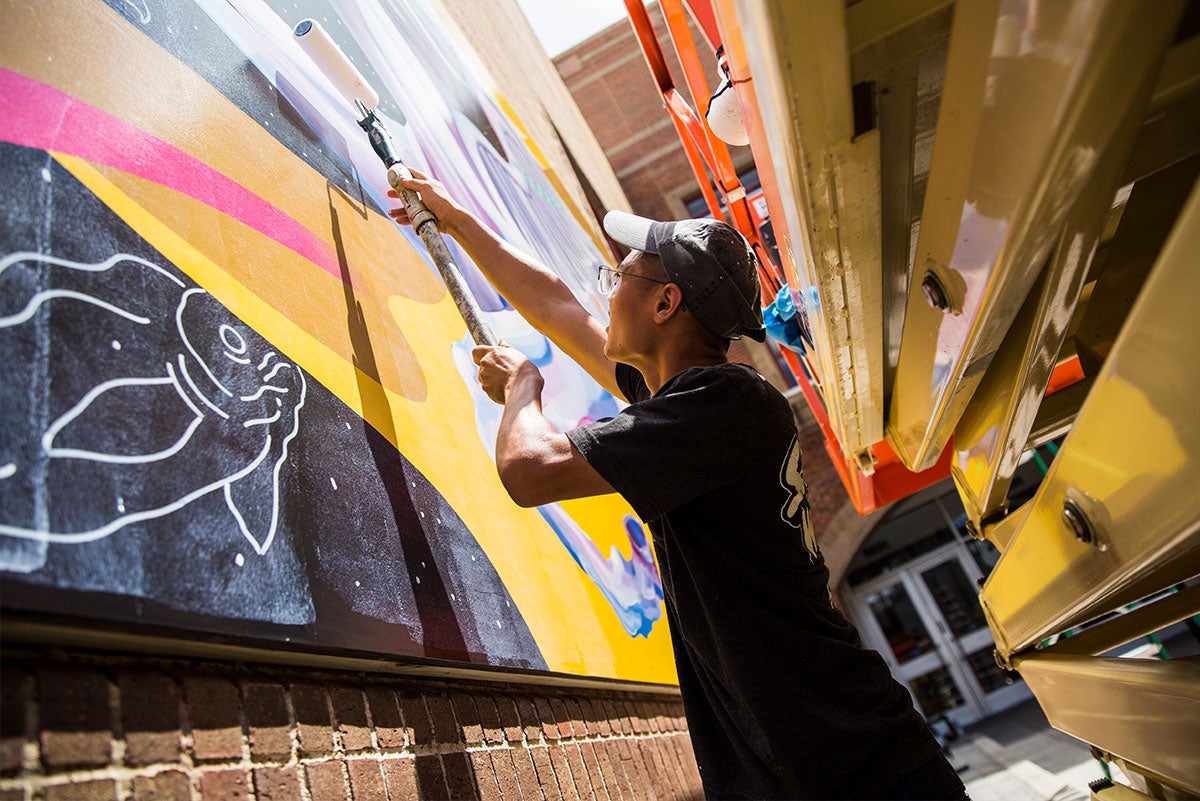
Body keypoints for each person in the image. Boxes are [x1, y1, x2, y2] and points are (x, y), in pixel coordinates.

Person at [388, 171, 969, 801]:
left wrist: (524, 389)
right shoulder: (694, 401)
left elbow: (530, 471)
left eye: (619, 278)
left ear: (665, 304)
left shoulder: (721, 405)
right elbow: (558, 308)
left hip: (856, 770)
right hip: (818, 765)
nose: (605, 295)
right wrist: (455, 219)